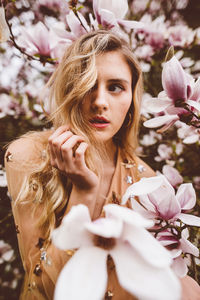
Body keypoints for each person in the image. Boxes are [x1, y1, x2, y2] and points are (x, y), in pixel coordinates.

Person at [4, 30, 200, 300]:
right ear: (70, 91)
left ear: (132, 100)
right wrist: (84, 191)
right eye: (88, 84)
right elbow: (43, 289)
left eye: (116, 87)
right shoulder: (28, 157)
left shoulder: (147, 181)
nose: (99, 102)